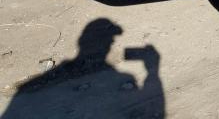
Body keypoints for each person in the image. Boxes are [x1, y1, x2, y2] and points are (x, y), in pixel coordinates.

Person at [2, 18, 164, 118]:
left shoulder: (24, 91)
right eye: (110, 40)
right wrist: (153, 70)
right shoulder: (124, 77)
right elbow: (156, 109)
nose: (112, 43)